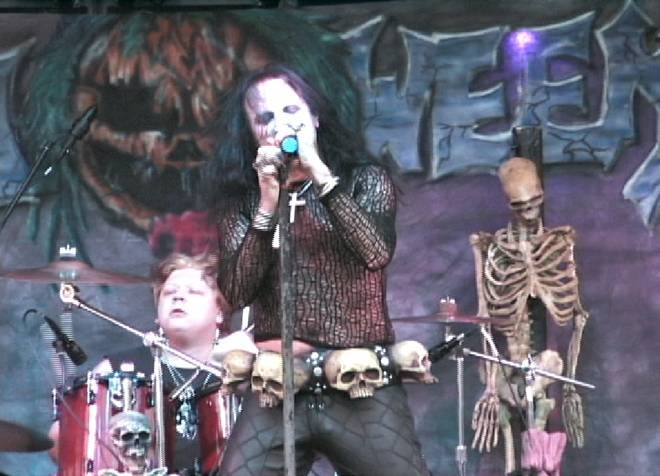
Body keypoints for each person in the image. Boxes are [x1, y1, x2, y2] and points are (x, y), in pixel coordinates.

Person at [205, 64, 430, 476]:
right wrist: (267, 204)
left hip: (359, 380)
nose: (281, 124)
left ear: (315, 117)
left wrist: (321, 174)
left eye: (291, 110)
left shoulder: (365, 180)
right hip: (277, 385)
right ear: (252, 134)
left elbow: (376, 252)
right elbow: (236, 291)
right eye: (265, 117)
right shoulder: (243, 203)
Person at [49, 252, 257, 475]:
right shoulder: (117, 369)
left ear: (220, 312)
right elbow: (60, 439)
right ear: (157, 315)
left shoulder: (240, 368)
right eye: (169, 293)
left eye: (194, 292)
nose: (178, 297)